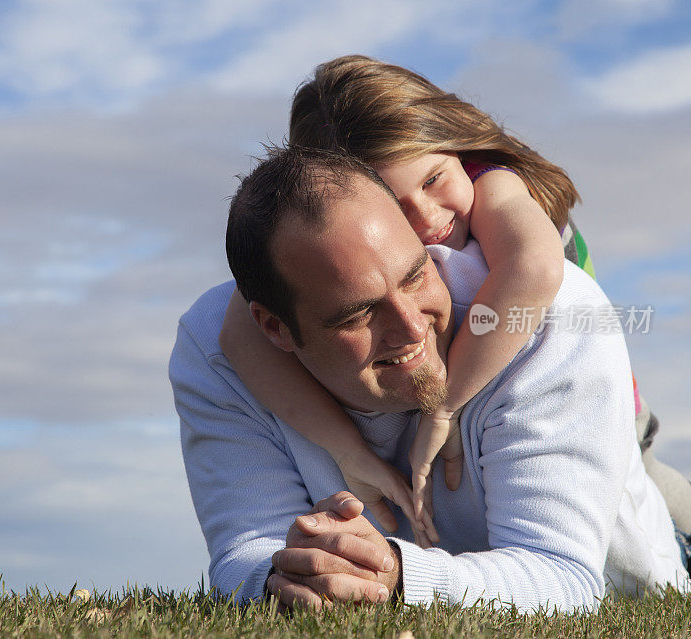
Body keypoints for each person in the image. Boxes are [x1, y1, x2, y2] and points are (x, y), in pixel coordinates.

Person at [170, 145, 689, 612]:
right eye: (359, 314)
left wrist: (398, 577)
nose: (413, 327)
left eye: (416, 274)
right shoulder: (214, 351)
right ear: (274, 328)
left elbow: (566, 578)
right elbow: (244, 552)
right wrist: (283, 578)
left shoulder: (550, 319)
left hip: (640, 575)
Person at [218, 54, 691, 539]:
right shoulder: (358, 241)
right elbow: (238, 333)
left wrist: (444, 406)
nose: (425, 217)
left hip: (609, 411)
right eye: (394, 207)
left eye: (432, 180)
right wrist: (347, 453)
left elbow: (534, 268)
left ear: (452, 145)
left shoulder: (495, 187)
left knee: (665, 511)